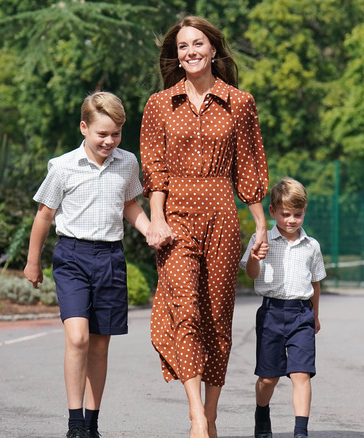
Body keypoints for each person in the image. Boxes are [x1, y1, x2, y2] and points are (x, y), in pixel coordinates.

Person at [140, 16, 269, 438]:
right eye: (182, 46)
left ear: (213, 49)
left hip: (222, 217)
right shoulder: (159, 104)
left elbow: (248, 169)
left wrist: (261, 227)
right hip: (175, 217)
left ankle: (211, 414)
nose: (190, 52)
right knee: (186, 312)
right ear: (176, 56)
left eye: (198, 44)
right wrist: (156, 219)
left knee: (217, 317)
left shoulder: (240, 102)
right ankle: (197, 415)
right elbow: (155, 171)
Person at [23, 91, 153, 438]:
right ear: (84, 128)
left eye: (116, 134)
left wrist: (148, 228)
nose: (109, 141)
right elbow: (45, 214)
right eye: (102, 134)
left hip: (110, 257)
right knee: (78, 337)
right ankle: (74, 422)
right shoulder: (62, 166)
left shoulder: (127, 163)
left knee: (99, 342)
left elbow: (130, 205)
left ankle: (92, 424)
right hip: (72, 258)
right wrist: (32, 262)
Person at [240, 177, 327, 438]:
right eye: (285, 214)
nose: (291, 220)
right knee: (269, 378)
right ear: (273, 212)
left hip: (302, 314)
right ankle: (262, 412)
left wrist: (316, 316)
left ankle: (301, 431)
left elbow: (315, 283)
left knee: (301, 374)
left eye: (297, 215)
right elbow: (251, 275)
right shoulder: (261, 238)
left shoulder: (311, 246)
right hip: (271, 314)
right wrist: (256, 256)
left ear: (304, 212)